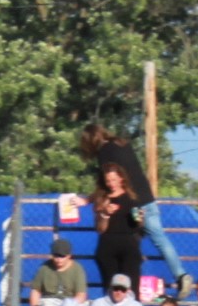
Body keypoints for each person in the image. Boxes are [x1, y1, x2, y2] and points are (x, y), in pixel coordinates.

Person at [75, 123, 186, 292]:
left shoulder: (105, 153)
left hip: (129, 202)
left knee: (126, 240)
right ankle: (181, 274)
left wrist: (87, 200)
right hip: (148, 199)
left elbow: (107, 182)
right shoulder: (122, 143)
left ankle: (123, 286)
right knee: (160, 239)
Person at [91, 164, 146, 290]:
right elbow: (100, 229)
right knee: (110, 287)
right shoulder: (102, 200)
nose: (111, 184)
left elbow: (138, 225)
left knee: (131, 288)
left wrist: (140, 218)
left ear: (121, 179)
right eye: (108, 181)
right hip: (108, 247)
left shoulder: (132, 199)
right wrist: (105, 214)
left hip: (129, 247)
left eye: (114, 180)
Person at [28, 236, 87, 306]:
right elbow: (35, 292)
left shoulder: (77, 269)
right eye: (56, 256)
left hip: (70, 302)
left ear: (69, 256)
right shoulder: (44, 268)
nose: (59, 259)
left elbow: (81, 295)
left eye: (62, 256)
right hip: (49, 301)